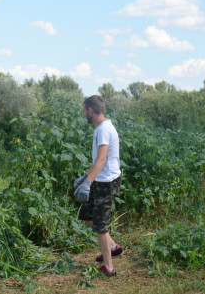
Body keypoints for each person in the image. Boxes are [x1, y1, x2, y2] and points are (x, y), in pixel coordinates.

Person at [73, 95, 123, 277]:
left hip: (106, 183)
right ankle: (113, 247)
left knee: (101, 225)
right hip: (100, 179)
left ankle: (109, 268)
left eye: (84, 110)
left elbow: (102, 160)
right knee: (87, 214)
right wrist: (84, 176)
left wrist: (87, 184)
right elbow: (97, 161)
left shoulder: (103, 130)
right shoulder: (102, 128)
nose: (84, 113)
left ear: (90, 110)